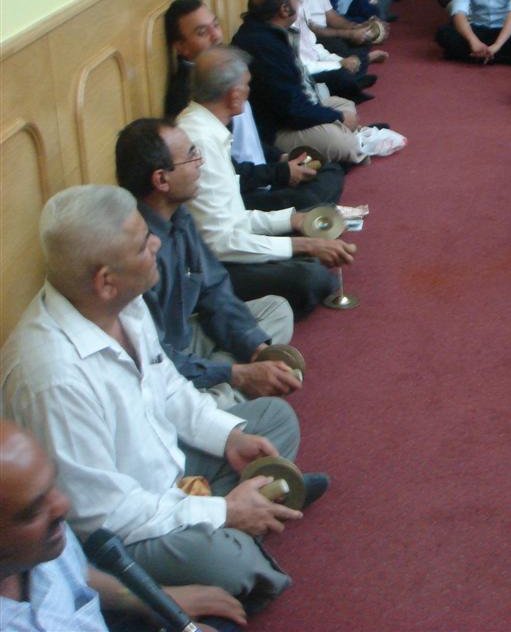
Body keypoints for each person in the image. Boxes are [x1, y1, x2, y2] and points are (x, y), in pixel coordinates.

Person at [0, 185, 329, 610]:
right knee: (231, 565)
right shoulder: (52, 377)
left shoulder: (123, 302)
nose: (157, 243)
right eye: (143, 244)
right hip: (122, 528)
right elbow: (102, 515)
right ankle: (245, 524)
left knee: (274, 419)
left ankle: (243, 514)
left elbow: (170, 388)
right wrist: (221, 511)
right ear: (105, 280)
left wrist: (228, 437)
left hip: (166, 474)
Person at [114, 117, 300, 408]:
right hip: (163, 364)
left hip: (187, 337)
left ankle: (222, 392)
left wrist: (255, 349)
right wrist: (235, 373)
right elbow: (155, 358)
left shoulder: (178, 214)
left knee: (277, 310)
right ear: (161, 180)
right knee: (246, 403)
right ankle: (217, 401)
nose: (200, 163)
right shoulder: (136, 251)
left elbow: (214, 288)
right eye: (191, 157)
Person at [0, 421, 247, 632]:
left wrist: (153, 600)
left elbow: (76, 575)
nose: (62, 505)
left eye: (52, 484)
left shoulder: (45, 539)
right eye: (32, 512)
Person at [176, 46, 354, 318]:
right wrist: (302, 245)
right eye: (247, 85)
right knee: (313, 278)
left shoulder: (206, 128)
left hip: (228, 243)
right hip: (210, 266)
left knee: (313, 220)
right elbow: (220, 243)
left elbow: (234, 217)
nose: (250, 91)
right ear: (235, 95)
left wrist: (291, 220)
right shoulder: (199, 140)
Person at [162, 0, 346, 213]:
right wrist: (279, 173)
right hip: (244, 192)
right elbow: (227, 173)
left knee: (330, 171)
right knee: (311, 195)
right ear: (181, 47)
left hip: (264, 173)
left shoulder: (226, 67)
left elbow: (248, 138)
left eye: (216, 25)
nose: (216, 36)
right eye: (202, 33)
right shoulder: (189, 97)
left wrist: (279, 158)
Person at [232, 0, 363, 164]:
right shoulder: (262, 45)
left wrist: (335, 116)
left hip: (296, 111)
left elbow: (297, 96)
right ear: (285, 9)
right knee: (344, 143)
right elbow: (292, 112)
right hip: (278, 130)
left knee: (345, 105)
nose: (299, 1)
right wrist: (338, 118)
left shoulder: (269, 31)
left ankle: (341, 137)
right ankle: (345, 145)